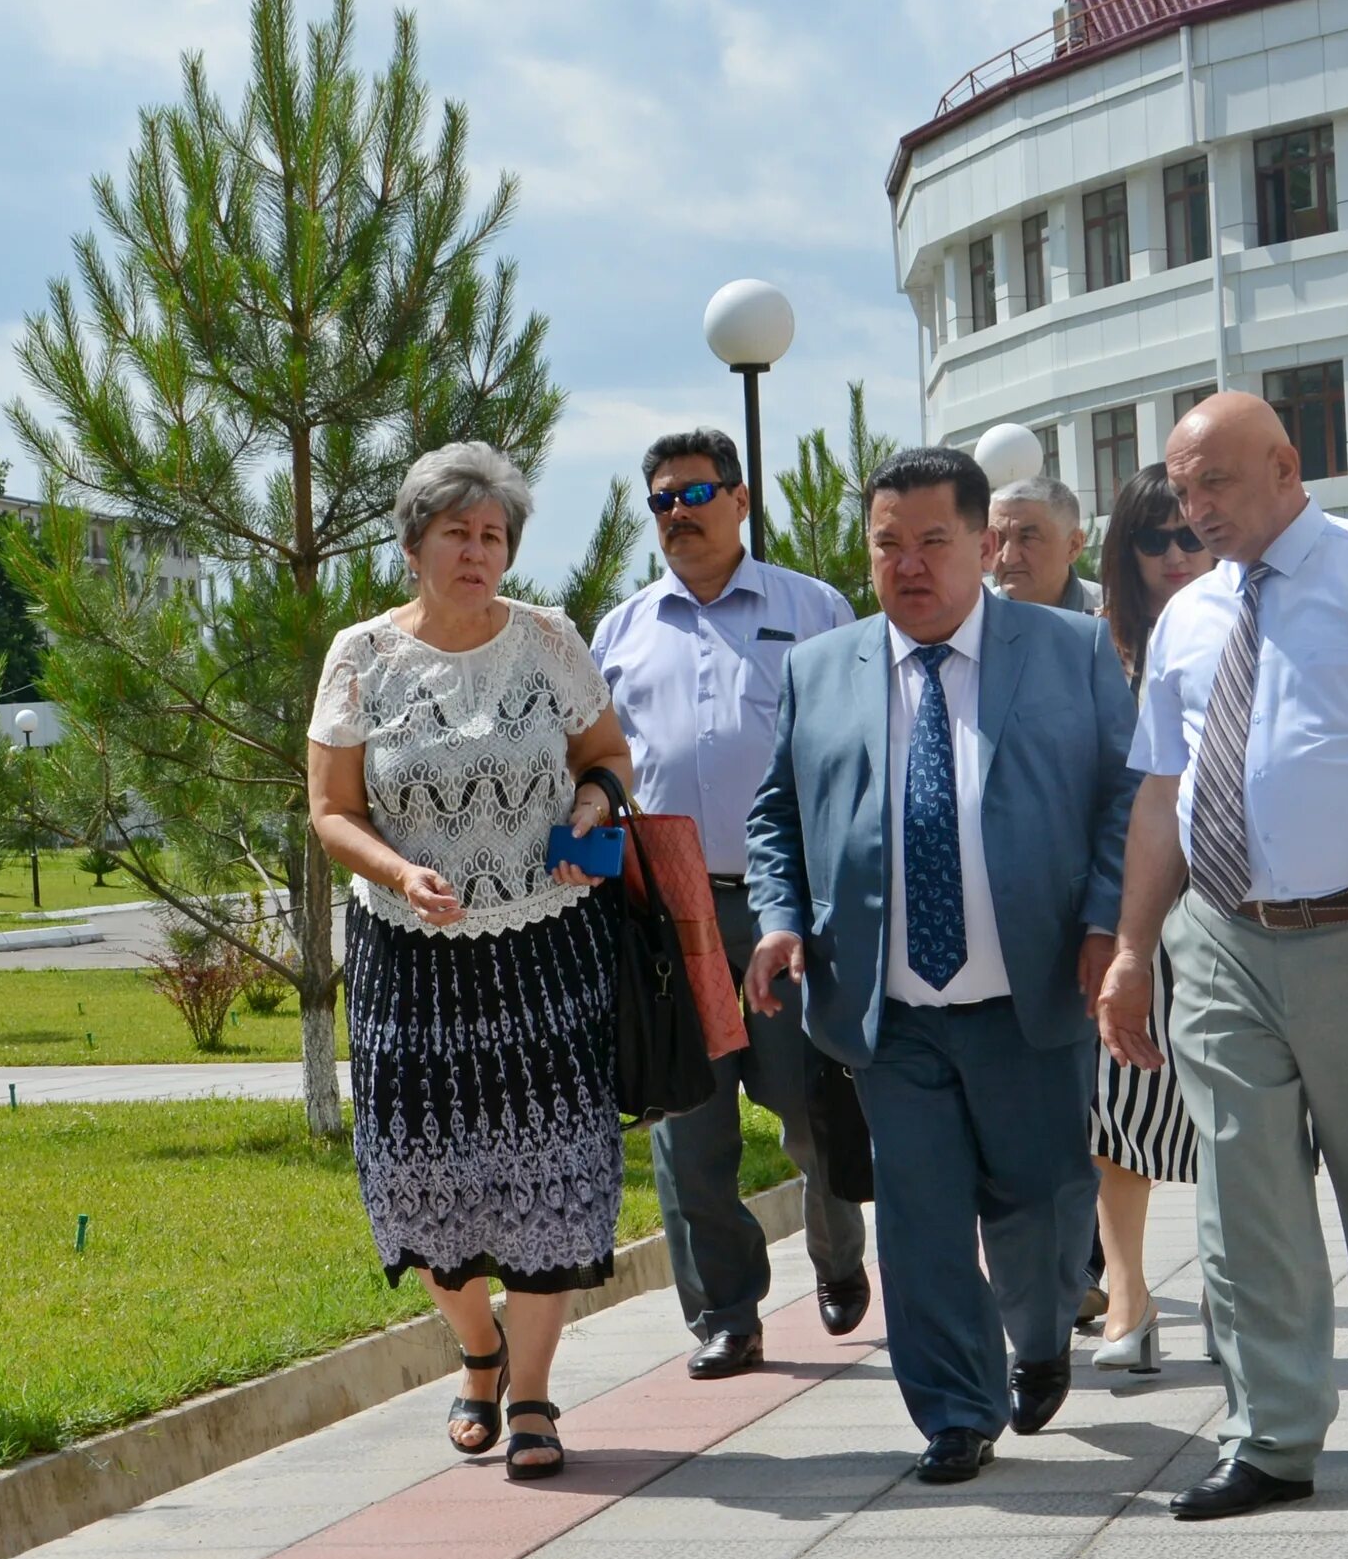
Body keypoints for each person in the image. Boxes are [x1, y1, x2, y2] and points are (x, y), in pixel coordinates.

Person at [1096, 393, 1348, 1520]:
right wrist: (1134, 950)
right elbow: (1163, 794)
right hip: (1223, 936)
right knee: (1241, 1190)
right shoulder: (1186, 619)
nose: (1195, 508)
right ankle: (1270, 1433)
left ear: (1286, 464)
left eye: (1215, 482)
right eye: (1181, 488)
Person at [745, 445, 1138, 1485]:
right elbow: (777, 815)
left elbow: (1123, 801)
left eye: (932, 541)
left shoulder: (1071, 651)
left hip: (1031, 994)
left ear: (980, 542)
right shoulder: (820, 669)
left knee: (1045, 1194)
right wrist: (780, 919)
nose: (909, 564)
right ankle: (958, 1411)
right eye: (887, 544)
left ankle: (1043, 1328)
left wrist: (1108, 923)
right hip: (890, 1008)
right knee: (921, 1220)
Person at [307, 442, 634, 1482]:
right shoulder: (361, 655)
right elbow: (330, 810)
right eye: (457, 533)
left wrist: (592, 806)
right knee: (418, 1177)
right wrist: (401, 874)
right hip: (411, 959)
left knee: (558, 1162)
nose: (477, 552)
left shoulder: (549, 639)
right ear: (414, 544)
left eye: (494, 536)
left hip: (547, 946)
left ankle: (532, 1393)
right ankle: (478, 1348)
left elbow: (608, 759)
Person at [593, 428, 871, 1380]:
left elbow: (852, 748)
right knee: (688, 1126)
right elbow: (598, 765)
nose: (679, 512)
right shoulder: (622, 632)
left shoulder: (814, 608)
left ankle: (838, 1254)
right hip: (672, 912)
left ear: (741, 500)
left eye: (697, 492)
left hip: (785, 902)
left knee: (807, 1105)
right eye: (662, 499)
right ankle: (726, 1313)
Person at [1086, 463, 1212, 1374]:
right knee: (1119, 1104)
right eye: (1153, 538)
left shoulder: (1253, 622)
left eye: (1191, 535)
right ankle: (1127, 1294)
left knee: (1232, 1107)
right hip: (1127, 912)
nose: (1175, 554)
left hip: (1237, 903)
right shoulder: (1098, 651)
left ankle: (1240, 1283)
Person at [988, 474, 1101, 614]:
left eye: (1027, 538)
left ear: (1073, 546)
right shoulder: (971, 622)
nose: (1008, 557)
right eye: (999, 539)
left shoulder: (1118, 620)